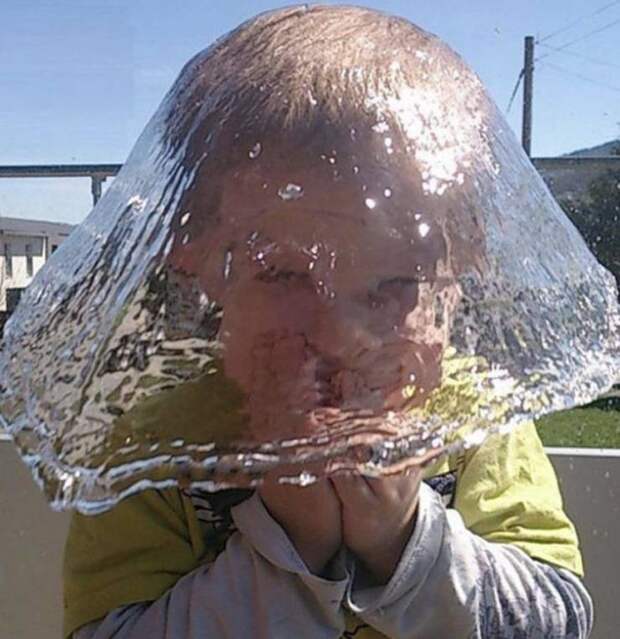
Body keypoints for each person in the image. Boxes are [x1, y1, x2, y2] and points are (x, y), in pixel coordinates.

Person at [63, 6, 594, 638]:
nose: (340, 337)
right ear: (198, 261)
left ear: (463, 267)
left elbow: (558, 621)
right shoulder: (158, 448)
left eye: (395, 283)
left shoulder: (473, 419)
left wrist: (405, 544)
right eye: (284, 274)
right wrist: (292, 546)